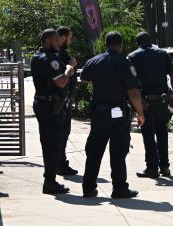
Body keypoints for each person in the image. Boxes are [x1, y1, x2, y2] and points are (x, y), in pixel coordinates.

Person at [81, 31, 145, 199]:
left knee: (94, 151)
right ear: (120, 44)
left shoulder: (94, 61)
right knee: (118, 151)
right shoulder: (124, 63)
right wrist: (140, 113)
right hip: (117, 113)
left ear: (106, 44)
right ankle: (119, 188)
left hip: (99, 112)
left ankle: (88, 187)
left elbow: (84, 78)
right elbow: (134, 92)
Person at [31, 28, 76, 195]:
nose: (59, 43)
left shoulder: (36, 56)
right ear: (48, 41)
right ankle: (49, 182)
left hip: (43, 104)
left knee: (48, 143)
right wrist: (70, 68)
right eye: (56, 40)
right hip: (51, 107)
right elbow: (62, 81)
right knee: (54, 144)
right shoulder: (50, 59)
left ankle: (49, 179)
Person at [128, 32, 173, 179]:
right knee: (162, 133)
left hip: (145, 103)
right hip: (162, 102)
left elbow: (130, 82)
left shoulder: (133, 57)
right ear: (150, 41)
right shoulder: (162, 54)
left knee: (148, 135)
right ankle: (164, 166)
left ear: (138, 43)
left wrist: (135, 104)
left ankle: (152, 168)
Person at [56, 26, 79, 176]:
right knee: (61, 134)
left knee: (63, 134)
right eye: (69, 38)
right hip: (60, 102)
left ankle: (60, 163)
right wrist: (71, 65)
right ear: (63, 37)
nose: (70, 41)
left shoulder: (62, 53)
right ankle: (60, 164)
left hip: (64, 101)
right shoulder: (59, 55)